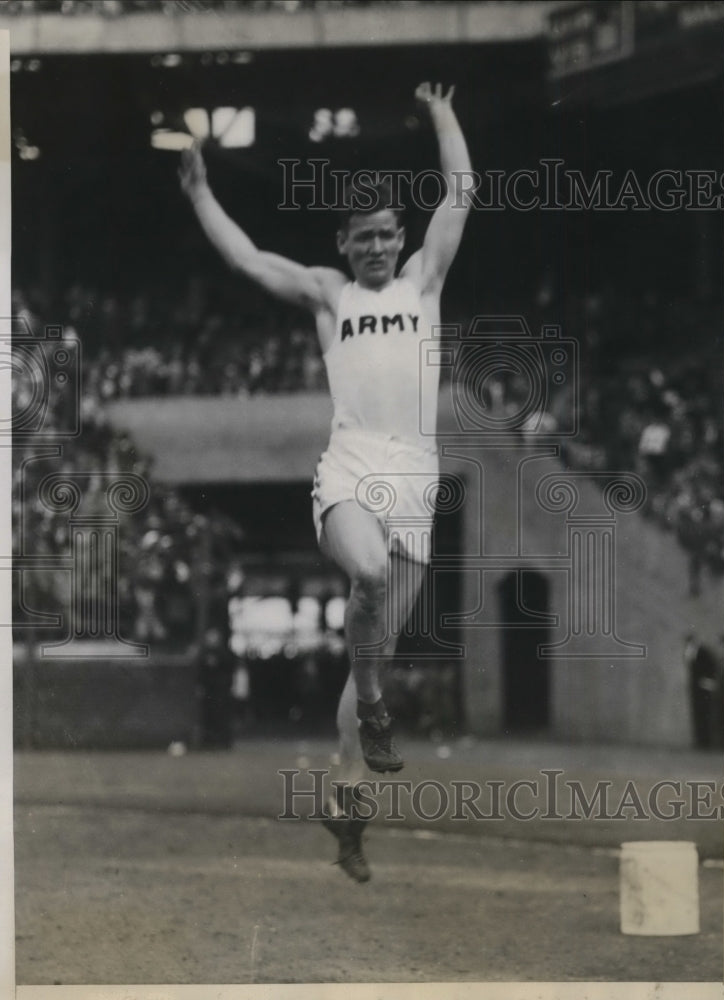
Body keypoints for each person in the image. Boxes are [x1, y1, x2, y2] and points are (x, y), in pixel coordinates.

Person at [180, 82, 471, 881]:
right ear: (343, 245)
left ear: (397, 237)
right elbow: (245, 257)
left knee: (370, 644)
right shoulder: (326, 294)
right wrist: (203, 191)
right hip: (349, 466)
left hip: (415, 477)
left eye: (385, 236)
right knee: (367, 573)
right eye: (362, 240)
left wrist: (441, 115)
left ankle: (346, 806)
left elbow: (461, 193)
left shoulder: (423, 285)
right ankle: (375, 709)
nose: (375, 249)